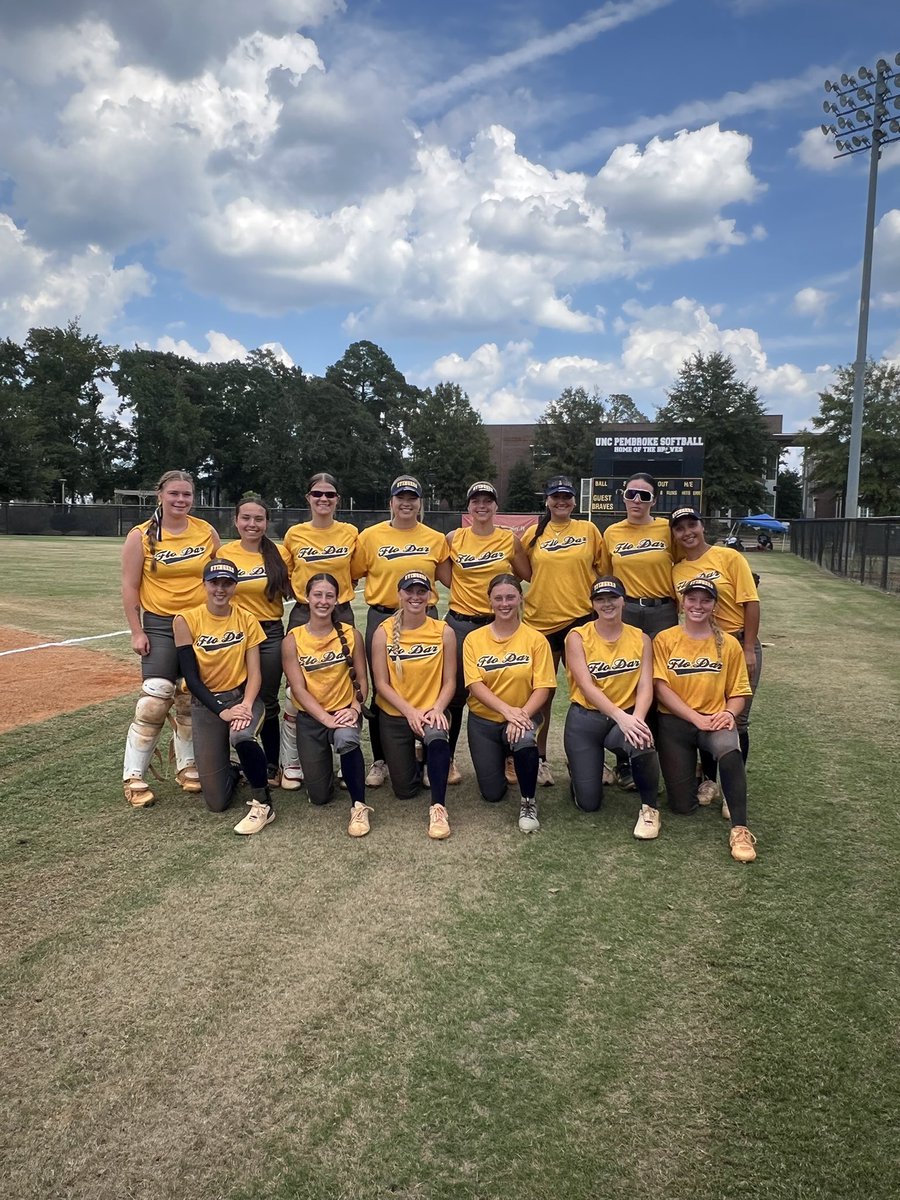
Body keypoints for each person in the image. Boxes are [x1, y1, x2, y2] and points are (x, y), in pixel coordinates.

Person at [120, 468, 220, 807]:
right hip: (161, 623)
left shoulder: (205, 531)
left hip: (199, 624)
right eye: (174, 493)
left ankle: (187, 765)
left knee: (190, 695)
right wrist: (137, 630)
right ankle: (133, 775)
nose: (180, 499)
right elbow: (130, 585)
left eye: (186, 494)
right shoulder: (141, 535)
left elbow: (219, 577)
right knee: (155, 697)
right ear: (160, 495)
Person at [351, 476, 450, 789]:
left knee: (433, 685)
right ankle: (381, 759)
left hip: (425, 616)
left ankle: (434, 754)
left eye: (412, 498)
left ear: (420, 502)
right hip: (383, 618)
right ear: (391, 502)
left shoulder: (435, 538)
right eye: (400, 497)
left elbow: (450, 578)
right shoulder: (370, 536)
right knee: (383, 688)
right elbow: (352, 574)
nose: (406, 503)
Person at [652, 579, 758, 863]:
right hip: (675, 723)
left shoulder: (729, 644)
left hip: (713, 720)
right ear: (682, 603)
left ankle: (740, 828)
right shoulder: (665, 639)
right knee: (682, 806)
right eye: (692, 599)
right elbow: (660, 687)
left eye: (705, 600)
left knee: (729, 747)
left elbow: (739, 692)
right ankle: (699, 776)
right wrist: (694, 717)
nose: (698, 606)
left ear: (715, 606)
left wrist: (729, 713)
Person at [436, 480, 531, 785]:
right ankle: (447, 758)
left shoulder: (508, 539)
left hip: (498, 624)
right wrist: (468, 594)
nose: (481, 506)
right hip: (461, 624)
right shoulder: (454, 538)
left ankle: (509, 755)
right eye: (476, 501)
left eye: (487, 501)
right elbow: (446, 576)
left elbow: (524, 574)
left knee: (504, 689)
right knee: (454, 694)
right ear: (468, 507)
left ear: (495, 506)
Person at [173, 558, 274, 835]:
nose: (220, 589)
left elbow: (255, 674)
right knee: (216, 802)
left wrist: (246, 705)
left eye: (227, 583)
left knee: (241, 735)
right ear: (204, 584)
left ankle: (264, 802)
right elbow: (192, 679)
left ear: (235, 586)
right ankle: (233, 769)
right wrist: (222, 711)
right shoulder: (186, 620)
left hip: (241, 698)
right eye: (214, 582)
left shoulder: (246, 618)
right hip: (206, 704)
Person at [520, 476, 608, 786]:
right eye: (555, 496)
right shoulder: (532, 534)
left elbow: (604, 573)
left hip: (580, 621)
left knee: (588, 691)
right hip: (540, 622)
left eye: (566, 496)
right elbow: (523, 570)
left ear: (574, 500)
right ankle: (539, 758)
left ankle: (589, 759)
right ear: (546, 500)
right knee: (542, 694)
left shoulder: (589, 530)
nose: (561, 501)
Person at [563, 576, 662, 838]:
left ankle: (649, 809)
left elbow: (645, 685)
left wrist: (637, 719)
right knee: (589, 804)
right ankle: (580, 770)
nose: (607, 604)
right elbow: (586, 686)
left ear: (623, 600)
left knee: (642, 738)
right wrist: (621, 717)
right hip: (586, 719)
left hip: (627, 715)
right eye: (600, 599)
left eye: (612, 598)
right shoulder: (577, 637)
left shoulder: (641, 638)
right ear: (593, 604)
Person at [670, 507, 762, 785]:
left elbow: (751, 602)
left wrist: (748, 647)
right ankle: (709, 780)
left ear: (702, 527)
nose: (687, 532)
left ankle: (733, 784)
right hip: (703, 647)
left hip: (737, 640)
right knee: (707, 712)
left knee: (738, 718)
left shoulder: (728, 557)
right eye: (679, 528)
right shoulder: (677, 570)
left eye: (692, 525)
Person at [280, 472, 360, 790]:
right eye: (317, 494)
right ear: (308, 498)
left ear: (337, 499)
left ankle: (344, 753)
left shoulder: (350, 532)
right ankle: (292, 761)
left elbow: (355, 572)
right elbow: (286, 574)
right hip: (304, 611)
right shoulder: (295, 534)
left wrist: (331, 598)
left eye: (329, 494)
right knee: (296, 689)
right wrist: (308, 598)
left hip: (340, 609)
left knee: (344, 680)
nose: (323, 499)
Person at [463, 574, 557, 833]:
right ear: (490, 601)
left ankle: (528, 801)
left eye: (510, 597)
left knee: (524, 738)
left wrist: (521, 715)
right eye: (498, 598)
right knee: (492, 794)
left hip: (523, 714)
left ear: (520, 598)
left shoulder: (535, 639)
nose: (504, 603)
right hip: (485, 721)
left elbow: (543, 687)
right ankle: (506, 756)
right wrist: (508, 712)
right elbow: (474, 684)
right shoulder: (474, 639)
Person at [281, 573, 373, 835]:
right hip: (311, 718)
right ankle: (321, 771)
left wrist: (354, 708)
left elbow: (362, 680)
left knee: (346, 739)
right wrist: (325, 718)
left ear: (337, 600)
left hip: (343, 712)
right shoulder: (292, 639)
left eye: (329, 596)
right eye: (317, 595)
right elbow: (298, 689)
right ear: (307, 598)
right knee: (319, 796)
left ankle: (359, 805)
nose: (323, 601)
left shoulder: (351, 634)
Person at [602, 471, 678, 790]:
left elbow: (686, 565)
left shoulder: (667, 529)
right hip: (627, 610)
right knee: (626, 682)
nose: (636, 500)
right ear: (623, 496)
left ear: (654, 500)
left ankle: (662, 755)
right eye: (631, 494)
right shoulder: (612, 533)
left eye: (644, 495)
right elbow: (607, 578)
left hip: (662, 611)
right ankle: (625, 761)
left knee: (662, 682)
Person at [370, 571, 456, 839]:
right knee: (405, 791)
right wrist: (409, 712)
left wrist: (438, 708)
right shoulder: (383, 632)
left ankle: (438, 807)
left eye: (421, 591)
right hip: (396, 714)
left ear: (430, 596)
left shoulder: (444, 631)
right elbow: (381, 684)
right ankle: (420, 759)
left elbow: (450, 681)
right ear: (399, 594)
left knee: (437, 736)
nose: (415, 597)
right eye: (409, 591)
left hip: (431, 711)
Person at [219, 494, 292, 782]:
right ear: (236, 521)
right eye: (246, 518)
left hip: (269, 632)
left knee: (268, 698)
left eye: (259, 519)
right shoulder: (225, 553)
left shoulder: (280, 553)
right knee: (233, 694)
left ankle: (272, 764)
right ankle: (235, 758)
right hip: (234, 633)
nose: (252, 524)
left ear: (267, 522)